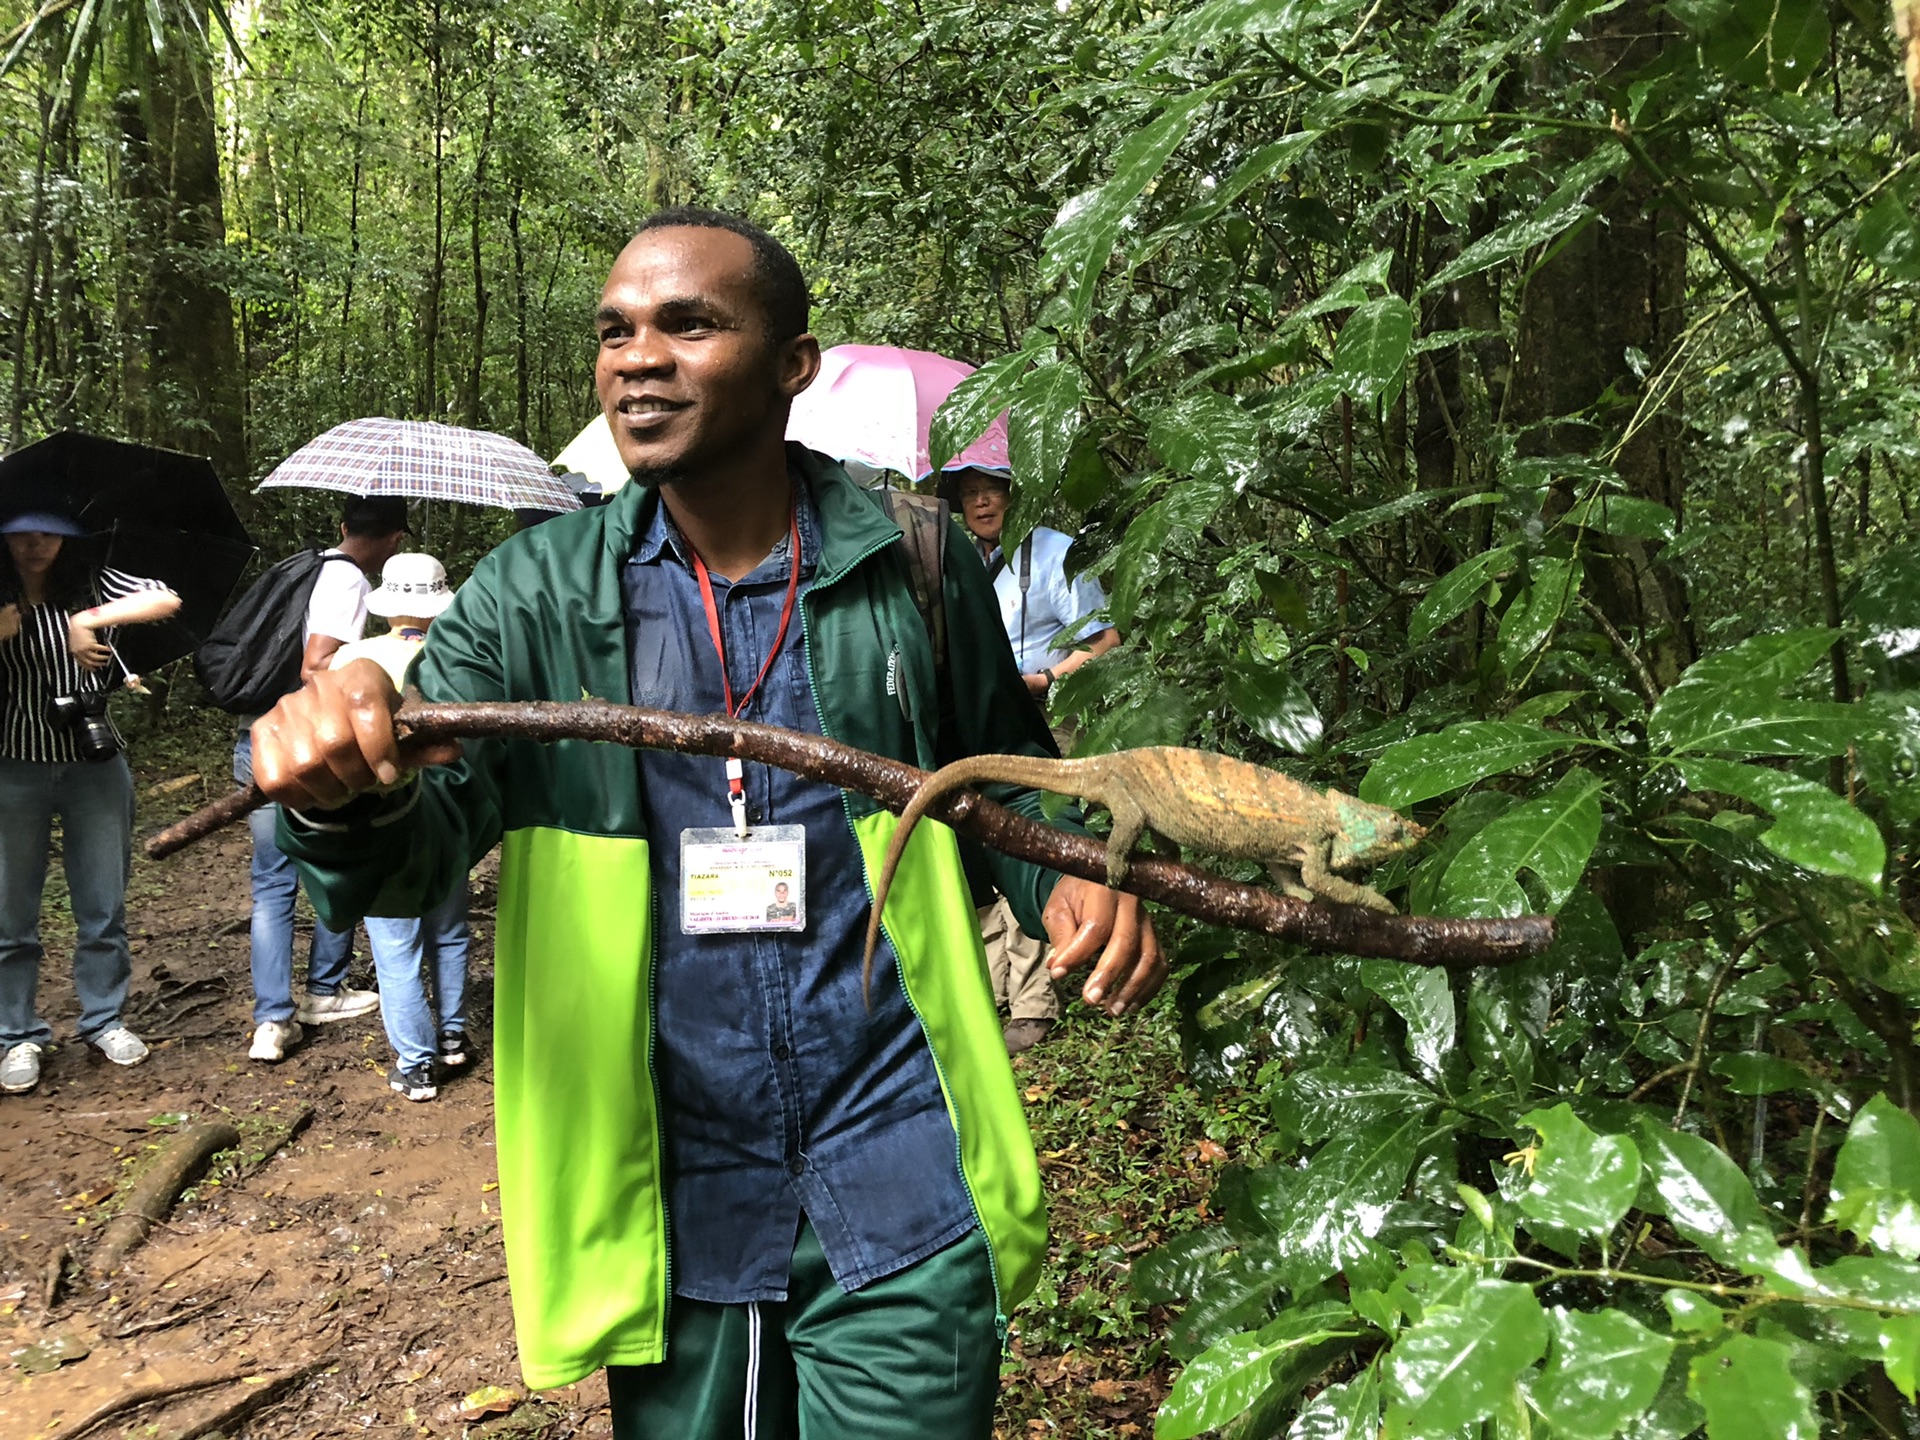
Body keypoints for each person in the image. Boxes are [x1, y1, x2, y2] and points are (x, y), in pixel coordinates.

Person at [248, 208, 1163, 1439]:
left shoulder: (916, 563)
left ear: (794, 366)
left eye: (690, 323)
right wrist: (347, 795)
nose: (638, 356)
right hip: (669, 1183)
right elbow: (415, 857)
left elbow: (1008, 782)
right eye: (616, 330)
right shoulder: (536, 598)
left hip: (899, 1154)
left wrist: (1076, 879)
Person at [0, 510, 181, 1093]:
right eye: (23, 533)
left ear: (65, 538)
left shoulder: (93, 580)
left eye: (48, 534)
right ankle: (16, 1034)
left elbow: (164, 599)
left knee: (103, 905)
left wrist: (87, 618)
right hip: (12, 764)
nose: (35, 545)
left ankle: (104, 1018)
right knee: (10, 913)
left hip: (94, 766)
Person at [947, 466, 1123, 1054]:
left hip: (1052, 716)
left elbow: (1105, 644)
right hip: (985, 717)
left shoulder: (1054, 552)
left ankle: (1031, 1001)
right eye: (969, 493)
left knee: (1029, 835)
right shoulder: (959, 558)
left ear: (1013, 494)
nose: (980, 501)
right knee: (984, 836)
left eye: (991, 489)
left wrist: (1043, 679)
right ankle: (996, 989)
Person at [239, 496, 409, 1064]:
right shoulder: (348, 581)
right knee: (334, 858)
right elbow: (317, 664)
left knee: (271, 883)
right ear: (394, 542)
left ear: (342, 527)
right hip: (309, 744)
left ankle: (272, 1018)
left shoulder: (305, 566)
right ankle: (320, 993)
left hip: (259, 736)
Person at [328, 553, 471, 1103]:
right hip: (448, 816)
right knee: (450, 929)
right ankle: (453, 1036)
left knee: (396, 947)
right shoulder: (457, 658)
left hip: (381, 816)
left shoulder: (351, 658)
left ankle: (416, 1064)